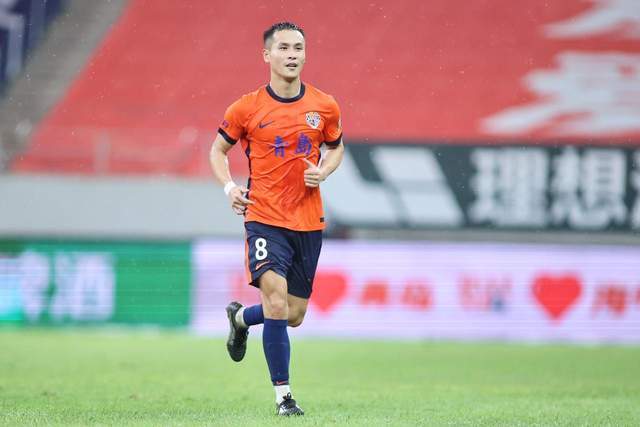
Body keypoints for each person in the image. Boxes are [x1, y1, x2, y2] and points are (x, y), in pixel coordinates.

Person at [209, 21, 344, 416]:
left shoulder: (325, 106)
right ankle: (284, 398)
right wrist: (229, 188)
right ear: (266, 55)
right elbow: (217, 150)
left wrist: (324, 170)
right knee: (276, 300)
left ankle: (240, 319)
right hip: (264, 218)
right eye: (283, 48)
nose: (292, 55)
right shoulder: (246, 108)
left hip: (308, 221)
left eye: (298, 48)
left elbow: (336, 147)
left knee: (293, 314)